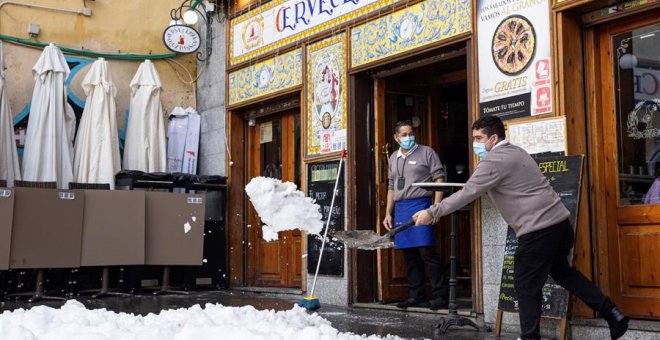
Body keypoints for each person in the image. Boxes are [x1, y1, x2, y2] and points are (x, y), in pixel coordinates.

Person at [412, 116, 629, 340]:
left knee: (525, 286)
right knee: (564, 273)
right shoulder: (517, 151)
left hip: (538, 230)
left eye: (479, 138)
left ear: (494, 138)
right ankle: (611, 312)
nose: (475, 143)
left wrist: (432, 212)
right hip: (560, 225)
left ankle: (529, 338)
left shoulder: (493, 161)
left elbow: (468, 193)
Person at [383, 120, 449, 310]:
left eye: (410, 133)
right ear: (396, 138)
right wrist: (388, 213)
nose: (408, 137)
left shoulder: (427, 152)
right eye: (403, 135)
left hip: (421, 204)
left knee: (427, 252)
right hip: (401, 208)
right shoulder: (393, 157)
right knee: (410, 255)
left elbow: (439, 179)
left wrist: (436, 207)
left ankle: (440, 295)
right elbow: (391, 187)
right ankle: (417, 296)